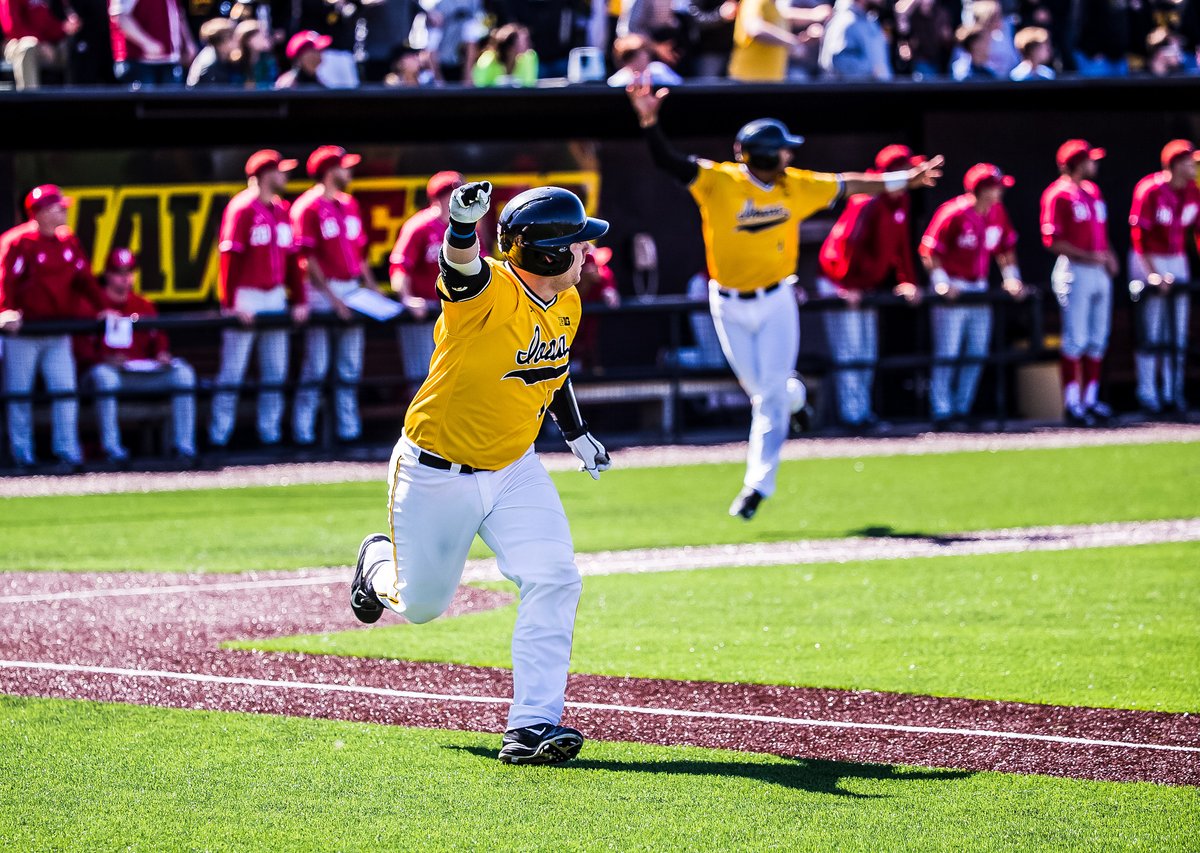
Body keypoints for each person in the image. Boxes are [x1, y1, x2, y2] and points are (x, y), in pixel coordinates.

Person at [349, 181, 611, 766]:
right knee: (420, 606)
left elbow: (553, 364)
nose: (587, 252)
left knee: (556, 577)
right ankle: (374, 566)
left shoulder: (566, 297)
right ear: (546, 252)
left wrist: (575, 432)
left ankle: (533, 726)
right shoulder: (489, 288)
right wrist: (462, 228)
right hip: (436, 471)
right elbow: (460, 268)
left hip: (515, 466)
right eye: (576, 242)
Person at [627, 81, 942, 520]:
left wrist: (901, 180)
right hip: (730, 303)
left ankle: (757, 486)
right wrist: (649, 122)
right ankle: (797, 398)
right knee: (764, 391)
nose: (790, 156)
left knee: (767, 398)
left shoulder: (795, 185)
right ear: (764, 155)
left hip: (777, 300)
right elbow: (668, 161)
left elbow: (850, 184)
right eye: (783, 150)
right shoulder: (720, 181)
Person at [816, 144, 924, 432]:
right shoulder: (867, 199)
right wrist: (846, 284)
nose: (912, 175)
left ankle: (862, 414)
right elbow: (846, 243)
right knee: (850, 354)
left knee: (866, 353)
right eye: (906, 170)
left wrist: (907, 279)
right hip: (839, 284)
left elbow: (901, 246)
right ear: (890, 173)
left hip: (862, 287)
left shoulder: (900, 202)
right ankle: (853, 420)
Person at [209, 150, 309, 451]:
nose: (285, 176)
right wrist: (231, 302)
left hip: (275, 295)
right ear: (266, 174)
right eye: (280, 171)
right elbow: (230, 257)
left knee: (275, 372)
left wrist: (300, 299)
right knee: (233, 371)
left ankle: (270, 435)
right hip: (247, 295)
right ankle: (218, 437)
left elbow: (293, 260)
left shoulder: (282, 209)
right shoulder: (241, 208)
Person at [0, 185, 105, 471]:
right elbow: (4, 280)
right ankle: (23, 456)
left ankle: (67, 452)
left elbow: (85, 280)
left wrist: (103, 306)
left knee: (65, 391)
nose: (64, 212)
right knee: (19, 394)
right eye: (58, 208)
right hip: (24, 335)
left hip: (58, 332)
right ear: (41, 212)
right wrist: (4, 310)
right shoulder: (17, 241)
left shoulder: (67, 241)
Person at [920, 163, 1025, 431]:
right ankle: (941, 410)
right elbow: (929, 250)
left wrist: (1011, 277)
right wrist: (941, 283)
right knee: (948, 352)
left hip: (978, 289)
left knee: (976, 352)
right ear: (983, 189)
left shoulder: (997, 213)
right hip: (954, 289)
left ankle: (961, 408)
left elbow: (1006, 248)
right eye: (996, 187)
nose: (1000, 192)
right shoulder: (953, 212)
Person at [75, 248, 197, 466]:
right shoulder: (91, 305)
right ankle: (112, 450)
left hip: (141, 374)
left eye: (129, 271)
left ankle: (184, 448)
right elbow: (81, 350)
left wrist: (162, 355)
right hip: (109, 374)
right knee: (104, 377)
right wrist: (104, 360)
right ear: (108, 275)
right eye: (118, 272)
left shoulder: (144, 305)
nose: (125, 277)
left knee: (183, 375)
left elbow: (159, 341)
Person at [291, 146, 376, 447]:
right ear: (329, 171)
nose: (349, 172)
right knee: (317, 365)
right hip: (321, 291)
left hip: (352, 288)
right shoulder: (307, 207)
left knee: (349, 366)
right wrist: (333, 299)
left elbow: (360, 252)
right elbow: (307, 260)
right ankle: (303, 434)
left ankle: (348, 432)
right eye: (344, 167)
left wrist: (373, 289)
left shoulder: (349, 204)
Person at [1040, 139, 1118, 427]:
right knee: (1076, 338)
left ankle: (1090, 399)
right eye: (1089, 160)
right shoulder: (1058, 194)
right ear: (1076, 163)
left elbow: (1100, 232)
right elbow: (1051, 240)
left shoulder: (1093, 192)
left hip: (1098, 270)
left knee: (1098, 338)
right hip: (1075, 269)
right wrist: (1089, 255)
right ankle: (1072, 403)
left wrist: (1109, 256)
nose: (1094, 165)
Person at [1128, 140, 1200, 418]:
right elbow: (1138, 238)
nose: (1193, 167)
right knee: (1152, 331)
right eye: (1188, 162)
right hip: (1149, 258)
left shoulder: (1193, 192)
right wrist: (1152, 274)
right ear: (1173, 164)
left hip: (1177, 257)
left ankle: (1173, 393)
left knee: (1177, 333)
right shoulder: (1150, 189)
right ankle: (1148, 394)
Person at [390, 170, 465, 395]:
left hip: (456, 314)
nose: (458, 199)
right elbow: (399, 266)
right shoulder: (419, 226)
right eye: (452, 194)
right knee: (422, 378)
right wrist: (406, 298)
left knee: (455, 377)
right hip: (425, 314)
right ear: (438, 197)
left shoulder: (467, 228)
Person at [728, 0, 828, 82]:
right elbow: (755, 28)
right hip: (748, 80)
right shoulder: (755, 1)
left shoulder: (774, 6)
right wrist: (792, 42)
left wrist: (805, 37)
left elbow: (786, 20)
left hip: (770, 81)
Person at [110, 0, 197, 86]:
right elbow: (121, 16)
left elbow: (177, 13)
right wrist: (146, 43)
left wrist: (188, 42)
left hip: (170, 62)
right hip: (140, 63)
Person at [0, 0, 81, 89]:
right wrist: (40, 43)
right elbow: (12, 28)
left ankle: (75, 95)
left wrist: (64, 28)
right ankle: (30, 98)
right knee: (28, 47)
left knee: (70, 48)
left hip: (44, 46)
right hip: (16, 43)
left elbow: (47, 25)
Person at [573, 247, 621, 373]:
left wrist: (610, 292)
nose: (592, 270)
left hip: (590, 322)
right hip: (569, 320)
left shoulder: (603, 274)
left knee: (589, 342)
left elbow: (610, 290)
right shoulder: (570, 274)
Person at [818, 0, 892, 81]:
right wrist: (871, 72)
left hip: (879, 92)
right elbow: (837, 62)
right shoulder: (844, 21)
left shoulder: (870, 21)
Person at [471, 23, 538, 87]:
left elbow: (528, 85)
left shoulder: (529, 57)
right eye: (520, 43)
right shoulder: (486, 60)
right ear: (509, 48)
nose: (526, 46)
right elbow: (480, 87)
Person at [606, 34, 682, 87]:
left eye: (644, 52)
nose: (643, 57)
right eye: (634, 55)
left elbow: (678, 85)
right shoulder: (618, 80)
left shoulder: (659, 70)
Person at [186, 17, 237, 86]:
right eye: (234, 37)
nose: (237, 40)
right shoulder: (210, 63)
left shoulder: (217, 55)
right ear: (223, 41)